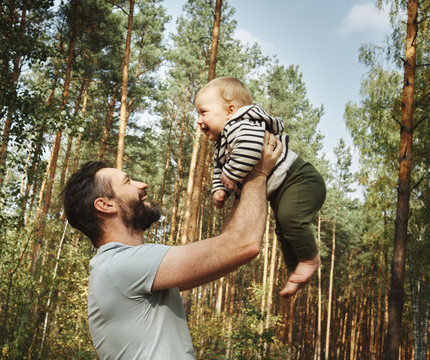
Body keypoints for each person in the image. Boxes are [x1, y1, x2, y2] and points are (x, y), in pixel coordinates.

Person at [62, 132, 282, 360]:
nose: (142, 185)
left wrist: (240, 188)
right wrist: (259, 174)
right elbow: (243, 244)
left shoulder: (120, 268)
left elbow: (229, 244)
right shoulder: (120, 265)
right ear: (105, 204)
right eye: (128, 181)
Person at [194, 76, 326, 297]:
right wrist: (220, 189)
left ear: (230, 110)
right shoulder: (222, 144)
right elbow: (219, 169)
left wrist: (230, 174)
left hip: (299, 179)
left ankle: (309, 259)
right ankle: (296, 271)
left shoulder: (242, 125)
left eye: (203, 112)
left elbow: (252, 148)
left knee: (290, 219)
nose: (198, 121)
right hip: (282, 188)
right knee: (283, 228)